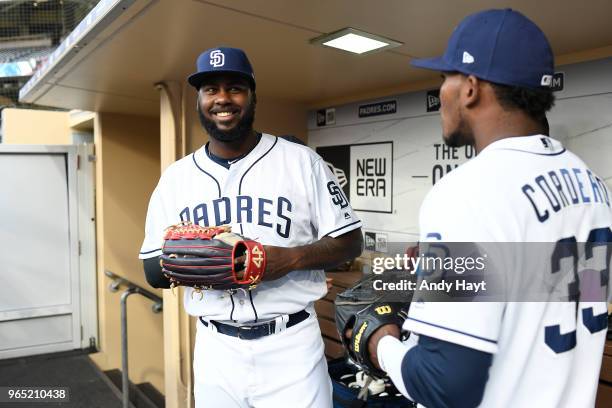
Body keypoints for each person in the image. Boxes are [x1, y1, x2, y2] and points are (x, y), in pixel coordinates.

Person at [362, 9, 611, 408]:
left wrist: (380, 343)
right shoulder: (591, 184)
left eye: (446, 77)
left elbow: (445, 386)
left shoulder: (468, 191)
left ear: (471, 88)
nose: (441, 90)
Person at [139, 47, 363, 407]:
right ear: (199, 100)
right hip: (216, 348)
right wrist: (210, 264)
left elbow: (351, 241)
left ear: (252, 96)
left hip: (291, 344)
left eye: (235, 87)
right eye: (210, 89)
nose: (222, 98)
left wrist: (288, 260)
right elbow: (153, 268)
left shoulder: (300, 162)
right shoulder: (176, 179)